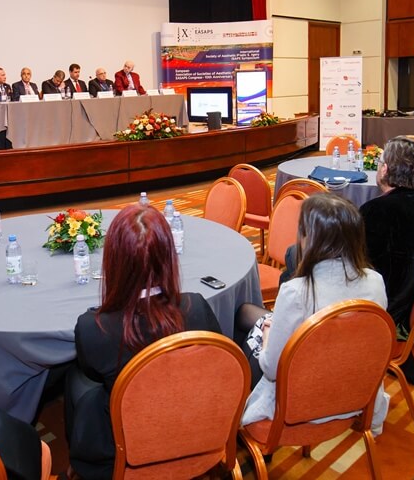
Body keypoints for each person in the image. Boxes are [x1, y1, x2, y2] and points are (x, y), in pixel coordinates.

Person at [66, 204, 220, 479]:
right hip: (193, 428)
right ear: (169, 256)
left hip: (127, 446)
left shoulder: (94, 328)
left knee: (74, 380)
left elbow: (91, 372)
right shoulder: (197, 307)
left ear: (113, 261)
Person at [235, 193, 389, 435]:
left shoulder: (296, 292)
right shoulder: (376, 282)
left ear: (309, 239)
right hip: (354, 393)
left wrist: (267, 336)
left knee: (254, 332)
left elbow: (272, 369)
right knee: (251, 316)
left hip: (301, 404)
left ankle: (232, 415)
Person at [360, 136, 414, 331]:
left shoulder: (377, 211)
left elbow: (356, 264)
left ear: (385, 169)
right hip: (405, 306)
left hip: (380, 310)